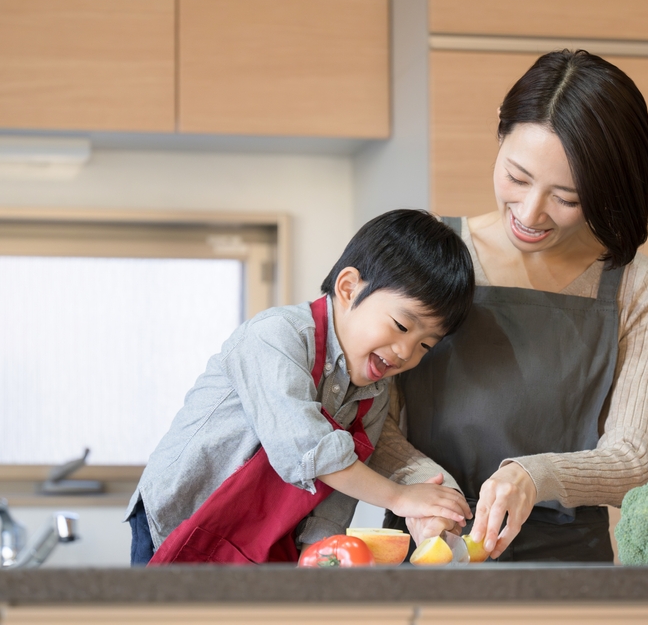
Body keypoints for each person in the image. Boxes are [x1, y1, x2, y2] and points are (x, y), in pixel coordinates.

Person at [370, 49, 648, 562]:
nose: (531, 213)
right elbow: (371, 421)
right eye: (517, 177)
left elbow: (635, 460)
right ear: (500, 130)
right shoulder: (425, 253)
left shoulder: (639, 287)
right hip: (429, 550)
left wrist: (537, 476)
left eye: (568, 197)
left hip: (569, 566)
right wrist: (428, 489)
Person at [125, 209, 476, 565]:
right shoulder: (275, 336)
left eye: (425, 345)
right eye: (402, 326)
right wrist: (400, 498)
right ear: (348, 287)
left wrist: (319, 556)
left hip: (252, 542)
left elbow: (334, 500)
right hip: (178, 519)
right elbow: (306, 448)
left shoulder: (375, 394)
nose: (405, 353)